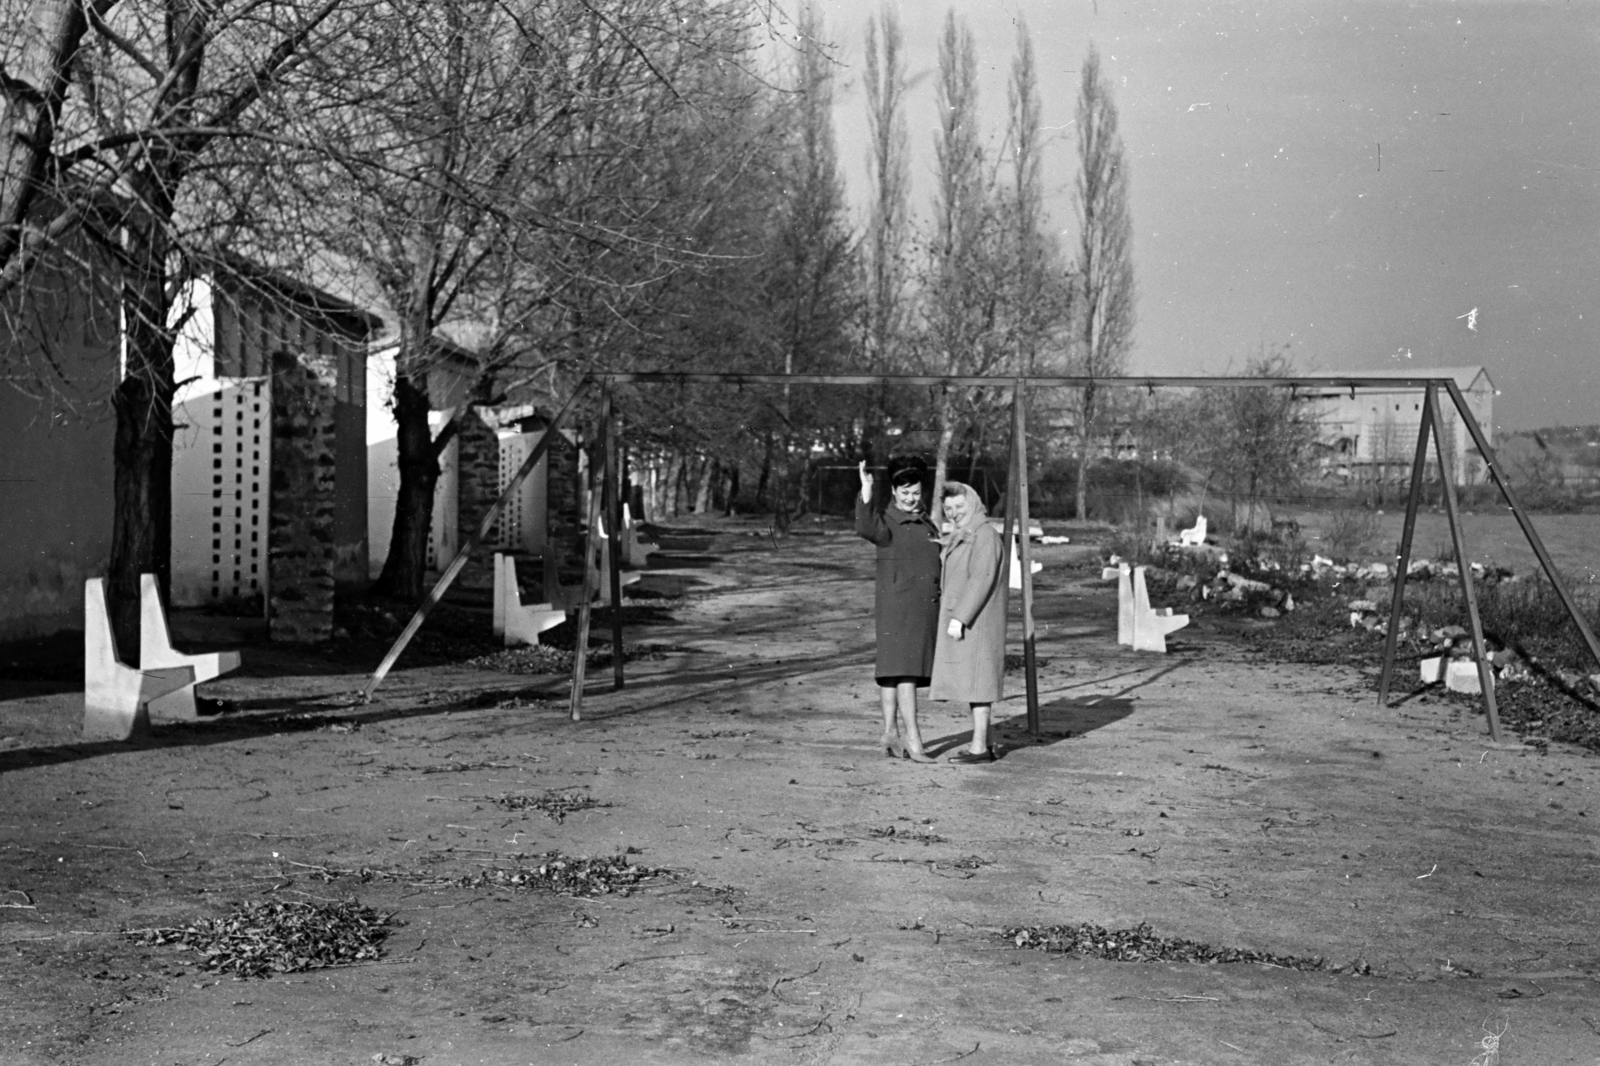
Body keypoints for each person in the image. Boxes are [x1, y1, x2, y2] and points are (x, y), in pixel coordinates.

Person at [855, 455, 941, 762]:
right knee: (906, 672)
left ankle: (890, 734)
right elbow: (866, 526)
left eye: (915, 492)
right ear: (893, 491)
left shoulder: (926, 522)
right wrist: (866, 490)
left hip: (921, 606)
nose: (910, 498)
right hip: (899, 607)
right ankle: (914, 740)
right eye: (904, 492)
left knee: (893, 672)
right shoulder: (887, 522)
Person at [930, 481, 1007, 764]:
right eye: (949, 508)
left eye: (959, 506)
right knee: (976, 684)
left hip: (977, 621)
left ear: (972, 503)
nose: (954, 513)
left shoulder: (983, 534)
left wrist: (960, 617)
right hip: (973, 619)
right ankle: (985, 742)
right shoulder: (969, 532)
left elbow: (981, 578)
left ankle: (979, 748)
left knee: (978, 685)